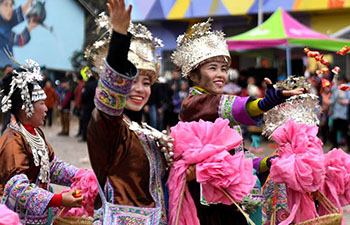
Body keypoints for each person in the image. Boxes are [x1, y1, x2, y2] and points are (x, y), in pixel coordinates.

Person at [171, 18, 304, 225]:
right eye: (212, 68)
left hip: (227, 199)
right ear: (194, 76)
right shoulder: (194, 104)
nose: (220, 75)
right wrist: (266, 102)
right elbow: (233, 106)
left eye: (224, 69)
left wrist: (268, 163)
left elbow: (238, 160)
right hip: (208, 203)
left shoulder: (219, 109)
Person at [86, 0, 168, 224]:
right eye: (133, 81)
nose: (140, 90)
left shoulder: (145, 131)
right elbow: (108, 104)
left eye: (147, 82)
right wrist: (120, 37)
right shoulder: (107, 126)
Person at [0, 60, 84, 224]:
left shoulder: (35, 132)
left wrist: (81, 176)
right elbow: (18, 188)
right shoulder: (12, 140)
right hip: (17, 218)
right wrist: (58, 199)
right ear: (27, 108)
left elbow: (51, 166)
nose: (46, 108)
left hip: (38, 217)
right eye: (41, 104)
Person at [0, 0, 38, 67]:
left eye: (11, 5)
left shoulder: (3, 19)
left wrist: (29, 2)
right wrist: (30, 27)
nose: (9, 9)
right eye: (6, 5)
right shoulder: (2, 26)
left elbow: (18, 14)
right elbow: (19, 40)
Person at [330, 76, 350, 152]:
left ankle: (348, 145)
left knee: (345, 131)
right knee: (334, 131)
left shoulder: (347, 90)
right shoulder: (336, 89)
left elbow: (348, 99)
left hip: (344, 114)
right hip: (336, 114)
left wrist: (344, 101)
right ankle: (335, 145)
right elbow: (333, 99)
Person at [0, 64, 13, 134]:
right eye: (8, 71)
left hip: (13, 103)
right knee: (6, 121)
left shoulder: (14, 81)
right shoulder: (2, 80)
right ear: (4, 71)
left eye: (11, 71)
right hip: (5, 103)